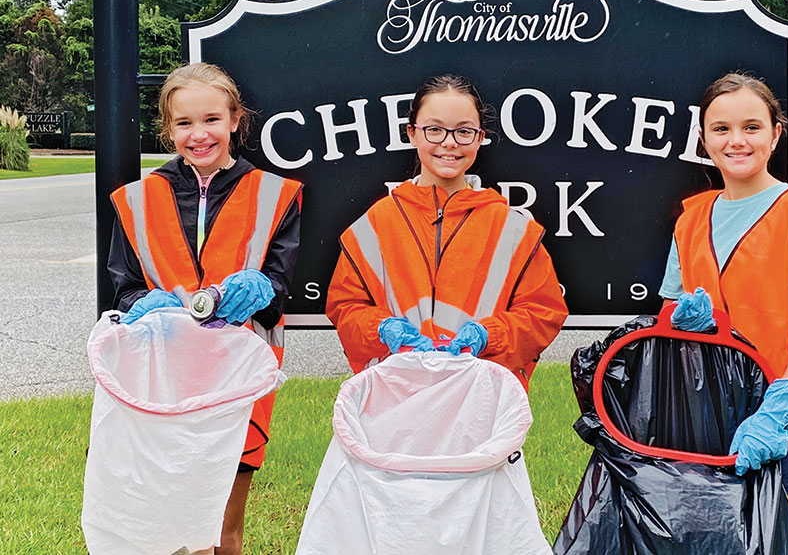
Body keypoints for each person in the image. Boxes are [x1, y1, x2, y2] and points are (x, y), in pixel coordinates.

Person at [107, 62, 302, 555]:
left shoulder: (276, 195)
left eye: (212, 119)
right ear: (167, 127)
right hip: (162, 383)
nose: (199, 135)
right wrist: (142, 305)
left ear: (236, 119)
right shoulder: (136, 199)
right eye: (184, 123)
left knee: (222, 532)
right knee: (167, 531)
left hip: (239, 386)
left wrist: (260, 289)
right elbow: (124, 289)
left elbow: (279, 288)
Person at [659, 73, 788, 504]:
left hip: (774, 419)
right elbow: (669, 314)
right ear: (704, 139)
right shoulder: (690, 220)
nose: (736, 141)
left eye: (751, 127)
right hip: (699, 414)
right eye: (721, 129)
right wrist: (686, 319)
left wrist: (777, 409)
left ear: (775, 133)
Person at [326, 74, 568, 389]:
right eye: (434, 129)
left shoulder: (514, 229)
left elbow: (543, 313)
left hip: (483, 400)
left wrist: (489, 336)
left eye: (464, 131)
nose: (449, 142)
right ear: (412, 133)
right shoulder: (375, 223)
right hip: (395, 398)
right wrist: (381, 329)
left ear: (480, 138)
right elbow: (345, 307)